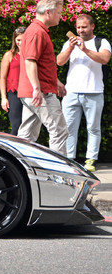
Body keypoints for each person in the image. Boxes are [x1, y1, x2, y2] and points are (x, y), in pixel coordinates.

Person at [57, 14, 111, 172]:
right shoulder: (69, 42)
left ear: (92, 27)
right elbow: (59, 62)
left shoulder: (101, 42)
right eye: (78, 27)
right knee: (68, 128)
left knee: (93, 128)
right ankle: (69, 159)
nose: (81, 30)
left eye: (84, 27)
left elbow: (104, 59)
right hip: (71, 92)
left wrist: (85, 49)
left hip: (94, 91)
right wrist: (70, 48)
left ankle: (91, 160)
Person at [17, 0, 69, 155]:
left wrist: (57, 82)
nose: (61, 16)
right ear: (48, 12)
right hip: (41, 93)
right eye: (59, 13)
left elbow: (40, 65)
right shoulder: (37, 32)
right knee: (59, 132)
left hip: (33, 91)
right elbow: (30, 62)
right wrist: (36, 89)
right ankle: (60, 175)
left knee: (26, 137)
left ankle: (17, 169)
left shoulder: (36, 30)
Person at [0, 27, 26, 135]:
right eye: (18, 40)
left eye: (23, 40)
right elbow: (3, 77)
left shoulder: (31, 54)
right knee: (16, 125)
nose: (20, 43)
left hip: (28, 93)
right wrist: (4, 98)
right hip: (14, 93)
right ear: (14, 40)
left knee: (28, 126)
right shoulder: (9, 55)